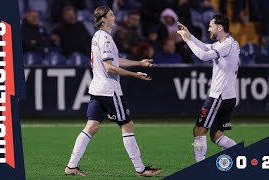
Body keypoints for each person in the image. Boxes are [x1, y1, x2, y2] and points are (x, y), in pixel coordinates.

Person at [64, 6, 163, 177]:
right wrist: (135, 75)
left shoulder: (98, 37)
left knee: (92, 126)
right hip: (110, 90)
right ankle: (141, 169)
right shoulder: (107, 39)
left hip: (97, 89)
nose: (114, 16)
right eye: (111, 14)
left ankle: (71, 166)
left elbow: (115, 61)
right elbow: (110, 68)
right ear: (103, 19)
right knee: (127, 126)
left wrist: (139, 63)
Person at [177, 15, 239, 162]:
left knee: (199, 130)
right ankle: (240, 156)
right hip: (227, 97)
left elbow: (204, 56)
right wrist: (190, 36)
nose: (208, 28)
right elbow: (205, 47)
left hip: (219, 97)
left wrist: (186, 40)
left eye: (211, 26)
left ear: (220, 28)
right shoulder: (226, 43)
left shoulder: (226, 45)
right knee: (217, 136)